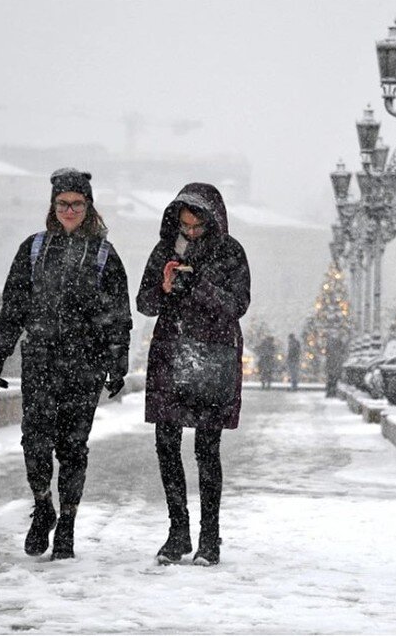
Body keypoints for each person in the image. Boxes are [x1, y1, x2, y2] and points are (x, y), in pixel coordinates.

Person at [0, 168, 132, 561]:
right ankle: (43, 504)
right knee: (34, 442)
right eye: (63, 203)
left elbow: (119, 314)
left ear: (88, 207)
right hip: (40, 362)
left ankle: (66, 524)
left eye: (77, 204)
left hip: (85, 365)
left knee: (72, 448)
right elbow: (14, 305)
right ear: (53, 206)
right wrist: (0, 352)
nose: (70, 210)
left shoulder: (104, 255)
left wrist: (118, 362)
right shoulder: (33, 249)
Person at [136, 182, 250, 567]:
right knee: (166, 445)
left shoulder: (231, 252)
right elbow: (145, 303)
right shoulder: (165, 250)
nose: (190, 232)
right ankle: (178, 531)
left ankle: (209, 537)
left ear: (211, 222)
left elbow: (237, 304)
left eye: (197, 227)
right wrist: (165, 286)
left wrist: (198, 284)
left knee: (206, 450)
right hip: (171, 351)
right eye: (184, 226)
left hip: (213, 356)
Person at [324, 333, 347, 398]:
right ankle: (332, 392)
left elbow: (327, 355)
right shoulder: (339, 348)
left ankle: (330, 392)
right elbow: (343, 353)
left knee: (330, 379)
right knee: (334, 380)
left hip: (332, 366)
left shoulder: (331, 348)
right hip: (336, 366)